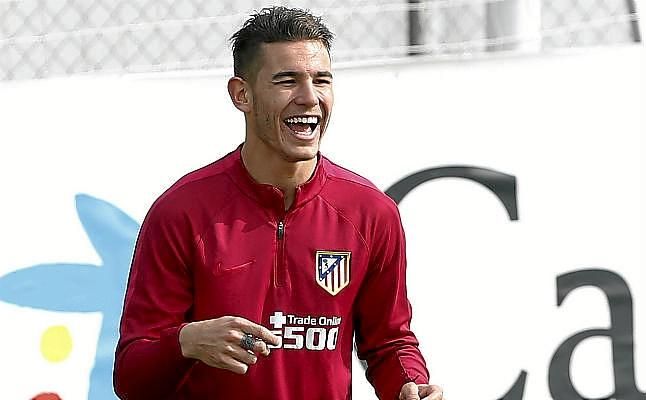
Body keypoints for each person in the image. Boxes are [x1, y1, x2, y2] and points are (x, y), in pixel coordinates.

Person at [114, 6, 444, 400]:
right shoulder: (181, 212)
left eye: (321, 80)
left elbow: (389, 343)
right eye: (287, 81)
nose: (309, 97)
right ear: (242, 95)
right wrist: (186, 342)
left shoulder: (371, 212)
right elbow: (131, 377)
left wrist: (409, 384)